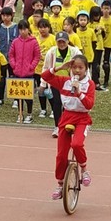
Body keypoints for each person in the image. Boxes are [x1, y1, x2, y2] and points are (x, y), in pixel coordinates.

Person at [41, 54, 95, 200]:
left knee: (76, 144)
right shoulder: (64, 82)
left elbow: (89, 104)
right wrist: (59, 67)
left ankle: (84, 169)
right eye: (74, 67)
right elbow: (45, 76)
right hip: (66, 117)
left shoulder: (89, 84)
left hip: (82, 118)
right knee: (61, 154)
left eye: (80, 68)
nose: (77, 70)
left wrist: (79, 93)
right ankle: (60, 184)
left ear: (86, 69)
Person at [40, 31, 82, 138]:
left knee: (68, 104)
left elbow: (82, 66)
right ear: (56, 42)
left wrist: (79, 81)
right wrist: (43, 83)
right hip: (56, 82)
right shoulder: (52, 52)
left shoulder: (75, 51)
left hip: (70, 82)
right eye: (59, 42)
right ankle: (57, 126)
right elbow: (46, 68)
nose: (62, 44)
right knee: (57, 103)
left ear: (68, 41)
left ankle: (68, 125)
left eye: (64, 41)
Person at [9, 19, 40, 123]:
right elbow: (11, 55)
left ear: (28, 29)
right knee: (18, 96)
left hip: (28, 73)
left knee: (28, 96)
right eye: (21, 29)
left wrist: (31, 66)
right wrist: (14, 65)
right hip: (17, 72)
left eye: (25, 29)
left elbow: (37, 56)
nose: (23, 31)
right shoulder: (15, 42)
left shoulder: (34, 42)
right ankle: (20, 113)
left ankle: (29, 114)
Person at [0, 7, 19, 105]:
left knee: (13, 77)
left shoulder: (16, 27)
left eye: (8, 16)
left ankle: (15, 99)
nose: (5, 18)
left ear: (12, 16)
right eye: (3, 15)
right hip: (2, 57)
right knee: (2, 78)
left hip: (14, 58)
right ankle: (1, 98)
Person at [35, 19, 56, 118]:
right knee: (41, 90)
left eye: (45, 27)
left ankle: (53, 109)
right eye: (40, 27)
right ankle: (43, 109)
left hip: (50, 70)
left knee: (51, 91)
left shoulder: (53, 39)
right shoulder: (36, 39)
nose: (42, 29)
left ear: (49, 28)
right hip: (38, 69)